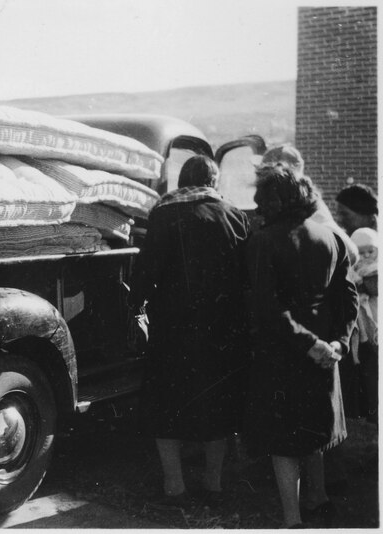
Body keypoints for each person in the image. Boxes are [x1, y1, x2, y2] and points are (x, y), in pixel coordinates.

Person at [129, 155, 250, 508]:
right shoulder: (235, 215)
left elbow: (145, 271)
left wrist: (136, 309)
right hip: (224, 328)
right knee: (219, 405)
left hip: (174, 328)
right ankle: (213, 483)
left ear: (182, 182)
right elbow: (247, 276)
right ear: (214, 181)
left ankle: (174, 485)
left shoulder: (164, 214)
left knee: (167, 404)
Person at [242, 166, 358, 528]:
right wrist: (337, 342)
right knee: (314, 429)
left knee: (283, 440)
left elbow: (267, 307)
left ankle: (292, 519)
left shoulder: (262, 241)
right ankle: (318, 498)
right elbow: (348, 299)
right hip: (325, 354)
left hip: (284, 353)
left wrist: (311, 345)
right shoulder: (332, 237)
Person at [350, 227, 378, 424]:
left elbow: (373, 287)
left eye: (371, 251)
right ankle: (372, 409)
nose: (367, 256)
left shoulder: (377, 268)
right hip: (363, 325)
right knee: (368, 369)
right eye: (361, 252)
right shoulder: (353, 271)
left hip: (376, 319)